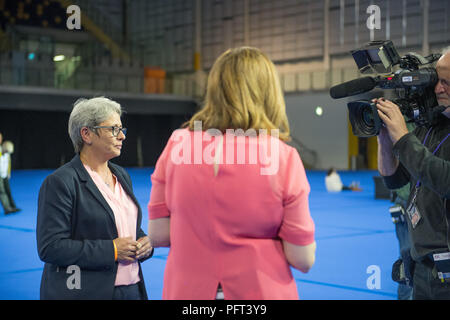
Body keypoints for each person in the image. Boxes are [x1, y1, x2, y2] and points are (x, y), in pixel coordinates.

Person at [148, 47, 316, 300]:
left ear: (215, 90)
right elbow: (303, 259)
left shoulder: (177, 144)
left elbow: (158, 235)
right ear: (268, 92)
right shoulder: (282, 156)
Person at [36, 97, 153, 300]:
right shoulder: (60, 182)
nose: (122, 137)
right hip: (86, 292)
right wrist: (113, 250)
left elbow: (125, 226)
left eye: (122, 129)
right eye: (114, 129)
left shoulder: (122, 175)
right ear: (87, 134)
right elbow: (51, 247)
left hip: (132, 289)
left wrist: (144, 243)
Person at [376, 47, 450, 300]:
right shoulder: (432, 126)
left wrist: (403, 138)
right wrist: (385, 140)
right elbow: (395, 179)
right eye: (437, 81)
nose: (438, 89)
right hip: (422, 267)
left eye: (447, 83)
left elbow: (444, 180)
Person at [0, 140, 21, 214]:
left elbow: (8, 164)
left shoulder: (7, 154)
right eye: (6, 151)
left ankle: (13, 206)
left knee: (8, 191)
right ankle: (7, 208)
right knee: (2, 192)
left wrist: (8, 173)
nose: (7, 153)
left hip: (5, 175)